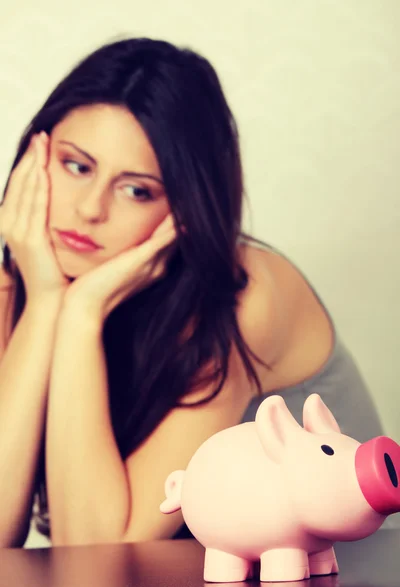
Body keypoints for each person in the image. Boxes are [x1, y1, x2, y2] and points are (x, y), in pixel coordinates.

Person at [0, 36, 385, 549]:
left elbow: (95, 552)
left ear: (183, 208)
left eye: (136, 190)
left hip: (337, 582)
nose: (90, 209)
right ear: (35, 155)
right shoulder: (26, 280)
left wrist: (81, 313)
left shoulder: (246, 297)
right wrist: (46, 303)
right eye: (77, 165)